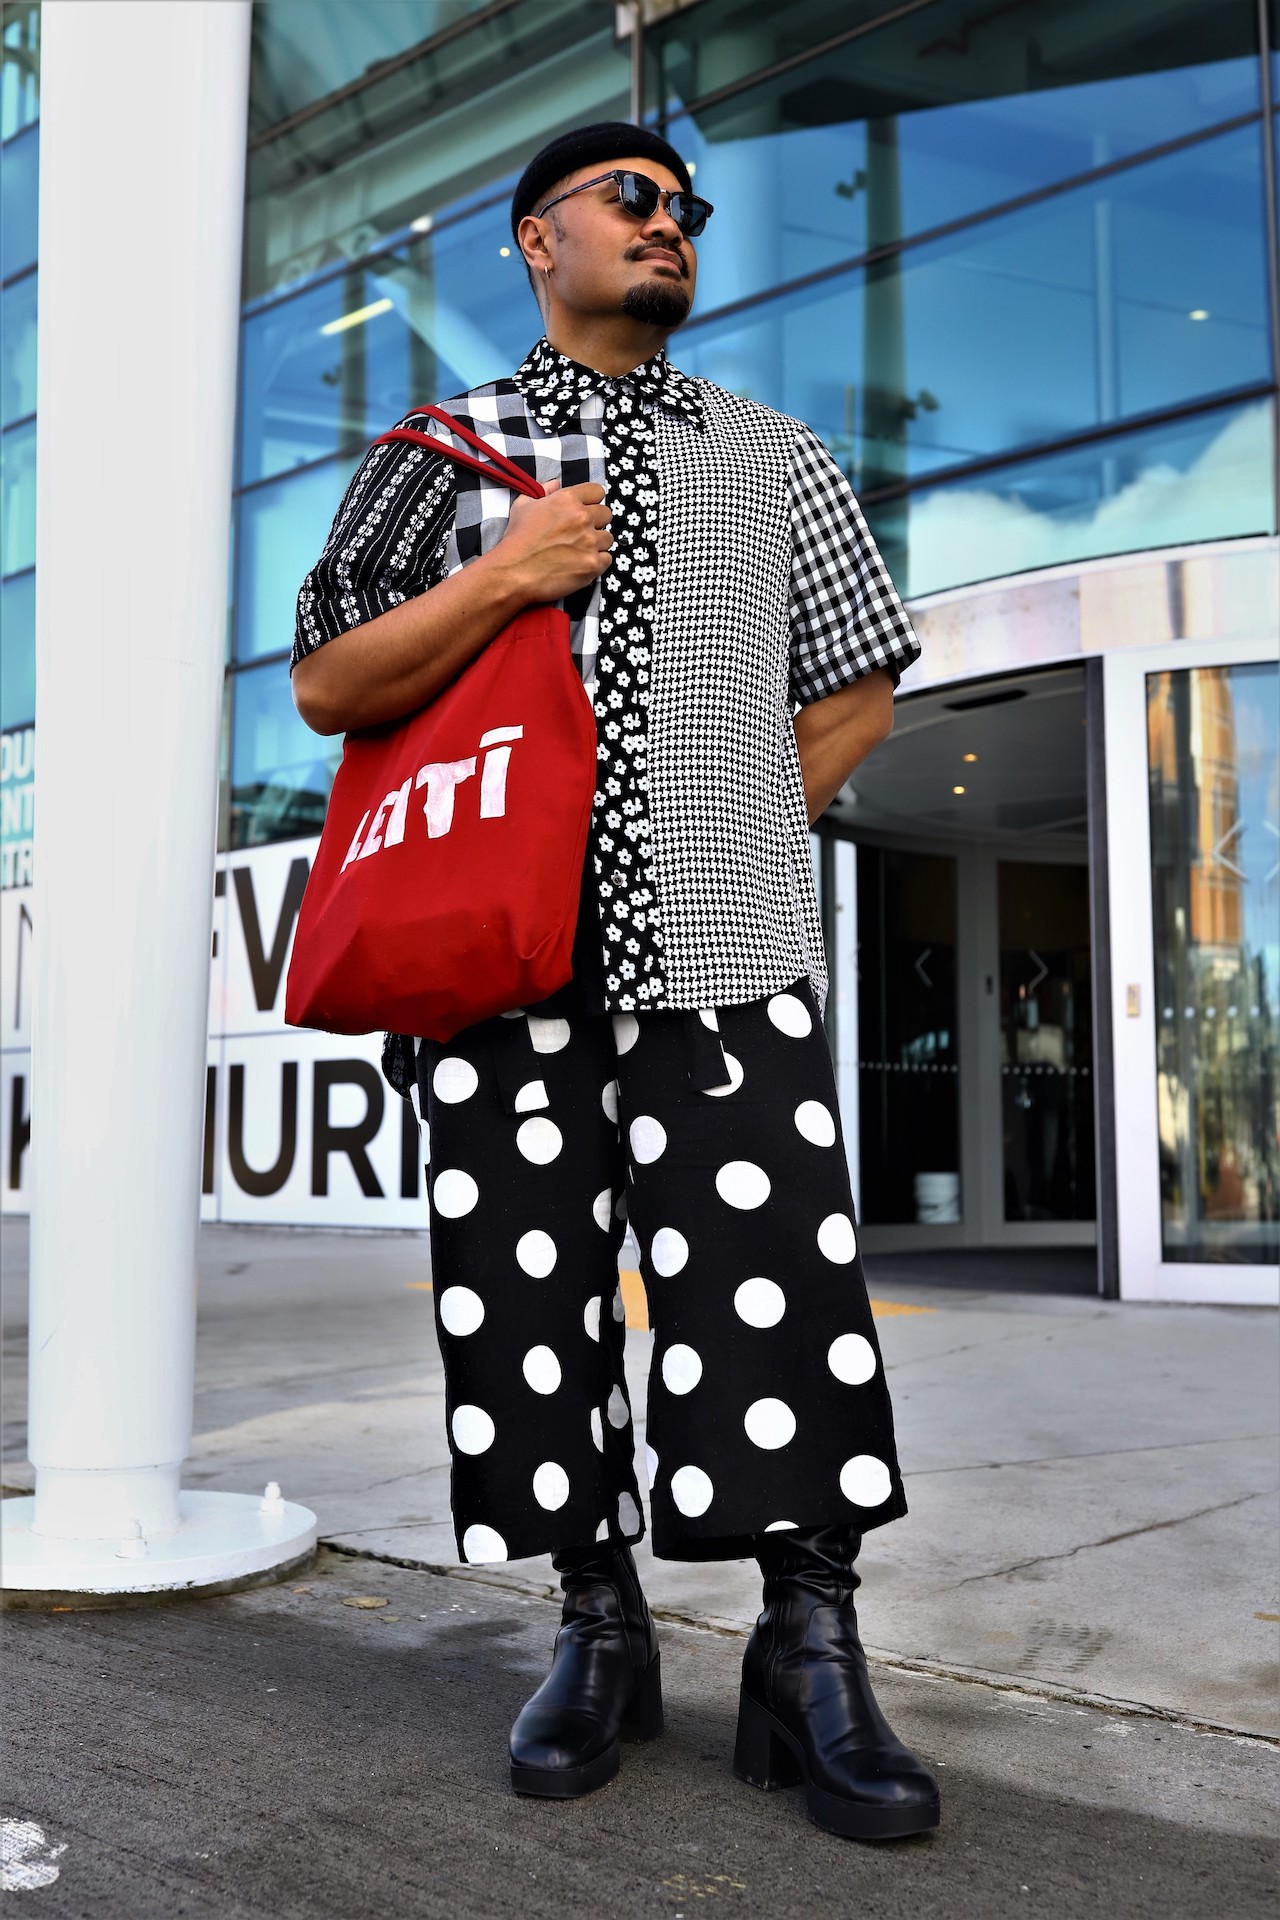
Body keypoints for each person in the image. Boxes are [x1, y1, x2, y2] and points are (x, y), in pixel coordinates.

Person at [292, 122, 938, 1843]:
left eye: (685, 209)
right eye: (631, 202)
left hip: (726, 955)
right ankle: (598, 1623)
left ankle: (810, 1652)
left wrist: (731, 824)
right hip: (503, 974)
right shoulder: (441, 453)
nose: (669, 227)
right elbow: (330, 681)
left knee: (774, 1293)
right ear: (535, 241)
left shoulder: (774, 453)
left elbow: (860, 686)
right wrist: (505, 574)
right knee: (528, 1297)